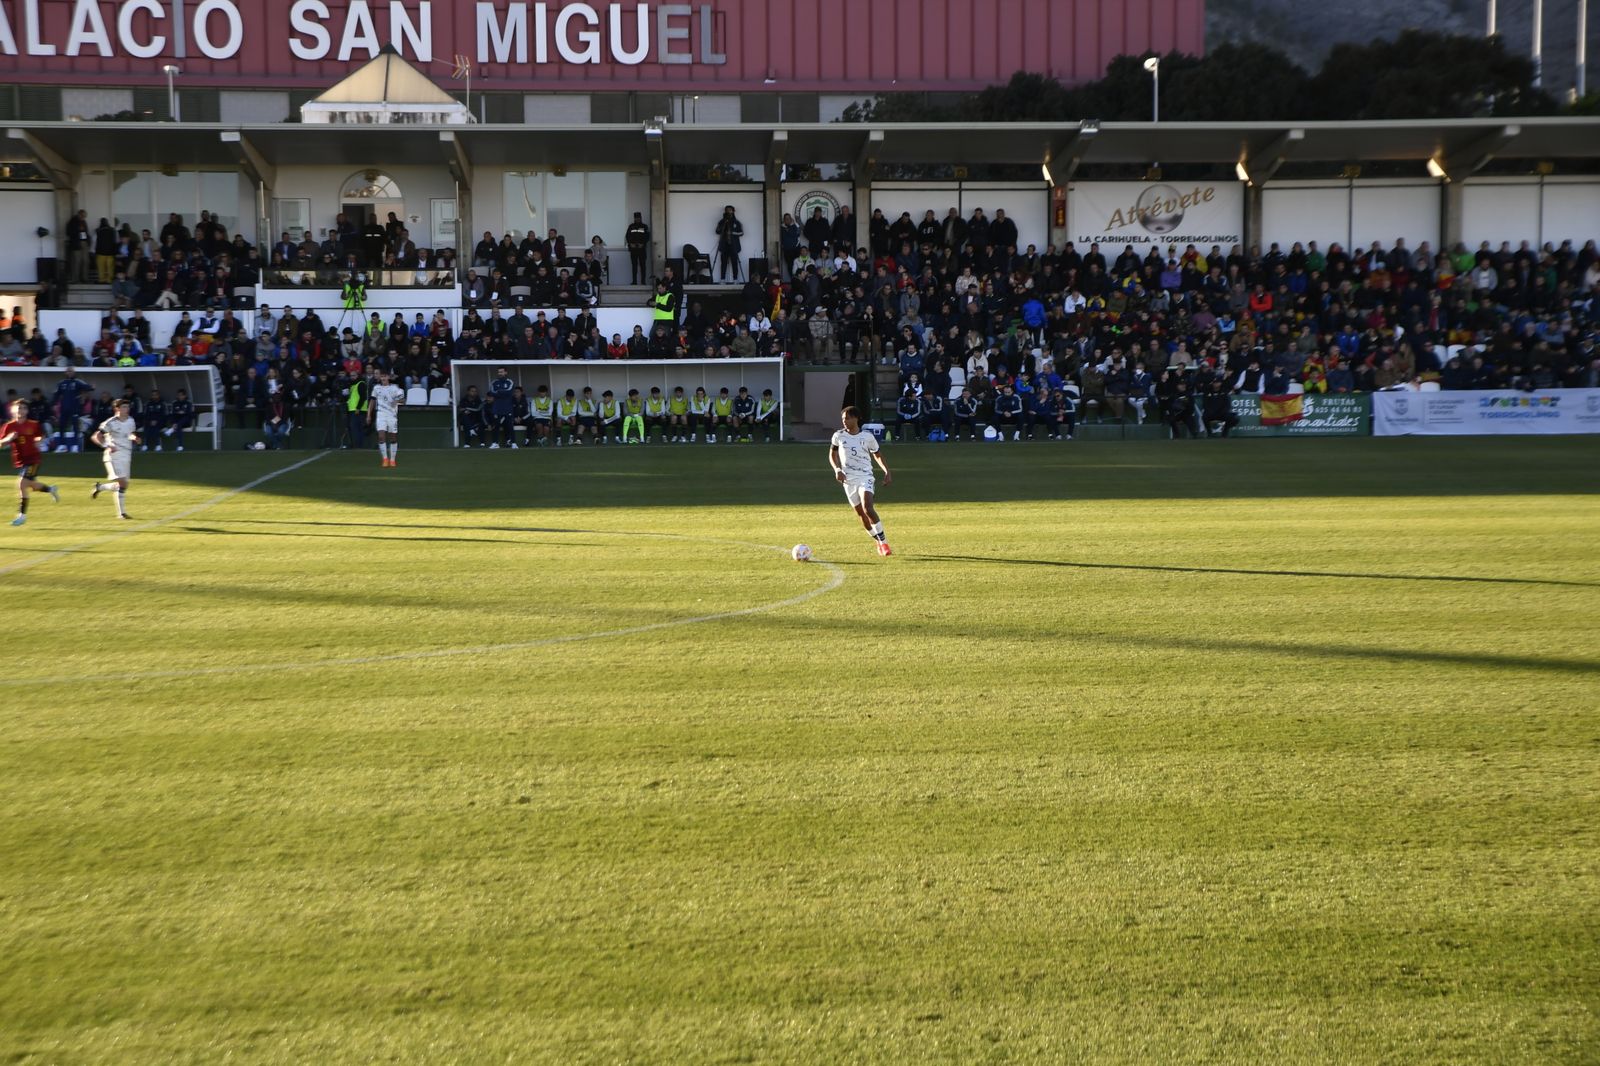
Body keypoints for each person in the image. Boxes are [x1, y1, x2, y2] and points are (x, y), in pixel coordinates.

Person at [829, 406, 893, 557]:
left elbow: (877, 454)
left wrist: (887, 471)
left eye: (847, 418)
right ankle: (877, 540)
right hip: (848, 480)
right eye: (843, 419)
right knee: (861, 516)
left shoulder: (867, 436)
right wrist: (837, 470)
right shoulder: (838, 436)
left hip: (865, 476)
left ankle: (884, 543)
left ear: (856, 418)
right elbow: (832, 454)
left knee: (868, 507)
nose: (844, 421)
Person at [1, 397, 59, 525]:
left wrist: (39, 440)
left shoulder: (33, 424)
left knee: (21, 484)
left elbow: (41, 435)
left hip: (33, 458)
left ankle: (21, 516)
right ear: (12, 410)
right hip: (20, 460)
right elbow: (1, 444)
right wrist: (9, 438)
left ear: (27, 411)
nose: (20, 410)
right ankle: (50, 489)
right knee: (31, 485)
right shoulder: (8, 426)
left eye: (23, 408)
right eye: (18, 408)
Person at [90, 398, 139, 519]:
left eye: (127, 407)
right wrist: (107, 445)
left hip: (126, 455)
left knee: (123, 485)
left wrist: (134, 438)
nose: (126, 409)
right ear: (117, 408)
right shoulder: (110, 422)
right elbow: (96, 436)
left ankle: (100, 487)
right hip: (113, 456)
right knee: (121, 482)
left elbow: (130, 433)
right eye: (124, 407)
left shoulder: (131, 420)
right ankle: (121, 514)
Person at [53, 366, 94, 453]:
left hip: (74, 408)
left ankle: (75, 446)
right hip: (64, 408)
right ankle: (62, 445)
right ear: (65, 373)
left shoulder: (77, 382)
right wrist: (54, 404)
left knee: (75, 427)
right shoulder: (61, 383)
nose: (70, 372)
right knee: (61, 426)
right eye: (68, 371)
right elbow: (56, 394)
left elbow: (87, 387)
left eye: (71, 371)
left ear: (74, 372)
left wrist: (92, 387)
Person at [370, 368, 404, 466]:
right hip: (381, 414)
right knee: (381, 437)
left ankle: (392, 459)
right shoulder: (376, 388)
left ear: (388, 377)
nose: (383, 378)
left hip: (392, 415)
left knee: (393, 438)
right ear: (380, 377)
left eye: (385, 376)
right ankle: (385, 459)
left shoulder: (395, 388)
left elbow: (403, 400)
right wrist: (368, 414)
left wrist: (396, 401)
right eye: (382, 376)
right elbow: (372, 401)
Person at [486, 367, 515, 449]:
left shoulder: (510, 382)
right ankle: (495, 443)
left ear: (505, 372)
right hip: (497, 408)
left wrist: (499, 392)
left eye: (501, 372)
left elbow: (509, 392)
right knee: (496, 426)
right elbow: (492, 393)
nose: (500, 373)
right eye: (499, 372)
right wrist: (503, 392)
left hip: (507, 408)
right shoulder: (494, 382)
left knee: (510, 426)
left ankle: (513, 443)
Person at [715, 204, 744, 282]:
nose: (728, 211)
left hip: (734, 245)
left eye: (730, 210)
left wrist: (733, 233)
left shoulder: (737, 222)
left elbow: (741, 233)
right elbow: (717, 231)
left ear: (733, 211)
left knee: (734, 262)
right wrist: (723, 225)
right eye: (727, 210)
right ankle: (722, 279)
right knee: (723, 263)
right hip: (724, 245)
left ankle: (735, 279)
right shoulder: (722, 221)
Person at [625, 211, 650, 284]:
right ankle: (634, 281)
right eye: (636, 218)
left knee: (643, 266)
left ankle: (643, 281)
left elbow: (647, 236)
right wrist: (631, 244)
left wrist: (643, 243)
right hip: (633, 249)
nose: (637, 219)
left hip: (642, 249)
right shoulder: (631, 226)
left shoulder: (645, 226)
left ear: (641, 218)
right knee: (634, 266)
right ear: (634, 218)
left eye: (639, 218)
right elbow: (627, 236)